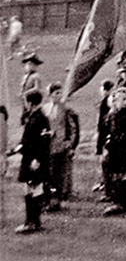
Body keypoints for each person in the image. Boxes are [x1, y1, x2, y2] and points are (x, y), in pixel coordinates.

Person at [13, 89, 51, 234]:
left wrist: (37, 159)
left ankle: (33, 222)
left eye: (25, 101)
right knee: (30, 189)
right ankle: (32, 221)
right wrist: (17, 148)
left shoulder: (40, 119)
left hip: (34, 159)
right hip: (29, 157)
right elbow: (27, 139)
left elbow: (43, 142)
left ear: (30, 102)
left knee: (34, 188)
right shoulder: (34, 116)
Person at [41, 83, 80, 211]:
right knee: (48, 173)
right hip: (47, 146)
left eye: (60, 93)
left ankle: (57, 199)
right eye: (56, 93)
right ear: (50, 95)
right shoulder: (45, 109)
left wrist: (70, 143)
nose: (59, 95)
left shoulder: (66, 109)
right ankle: (47, 198)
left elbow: (72, 128)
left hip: (60, 145)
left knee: (59, 173)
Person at [103, 88, 126, 215]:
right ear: (115, 100)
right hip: (113, 148)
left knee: (122, 174)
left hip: (123, 148)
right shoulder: (112, 114)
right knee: (114, 173)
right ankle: (115, 199)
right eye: (123, 99)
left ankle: (121, 203)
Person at [20, 52, 42, 125]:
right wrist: (21, 93)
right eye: (28, 64)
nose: (29, 66)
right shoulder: (25, 77)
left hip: (33, 98)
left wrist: (27, 93)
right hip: (25, 99)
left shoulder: (36, 76)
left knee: (32, 113)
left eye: (32, 64)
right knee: (25, 114)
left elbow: (37, 88)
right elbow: (23, 86)